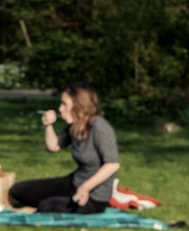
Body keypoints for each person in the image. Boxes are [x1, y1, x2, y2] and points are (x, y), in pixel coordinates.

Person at [8, 84, 117, 213]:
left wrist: (85, 188)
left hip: (94, 196)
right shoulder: (74, 126)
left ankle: (54, 202)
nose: (60, 108)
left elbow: (112, 164)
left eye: (64, 104)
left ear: (78, 105)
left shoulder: (99, 127)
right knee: (18, 190)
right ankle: (58, 199)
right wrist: (48, 125)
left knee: (47, 206)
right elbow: (53, 147)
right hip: (73, 183)